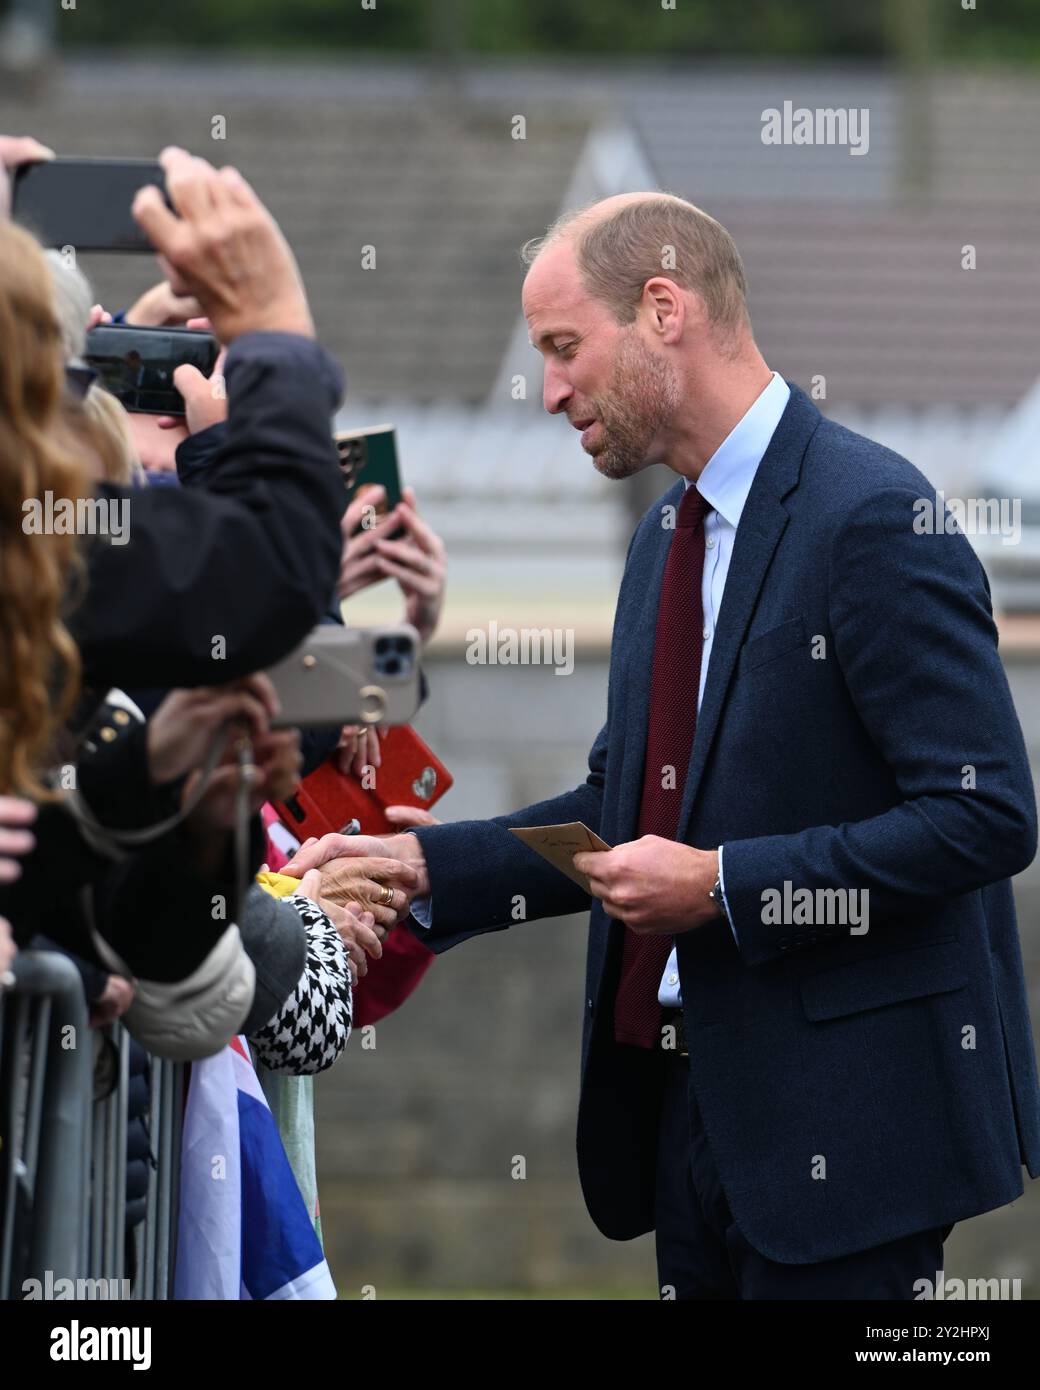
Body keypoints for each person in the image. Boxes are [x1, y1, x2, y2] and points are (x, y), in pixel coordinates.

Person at [285, 192, 1040, 1300]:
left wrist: (726, 886)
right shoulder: (659, 536)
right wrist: (428, 866)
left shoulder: (872, 515)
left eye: (561, 349)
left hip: (847, 1156)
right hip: (685, 1130)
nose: (546, 393)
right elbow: (620, 804)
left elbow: (985, 814)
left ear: (661, 308)